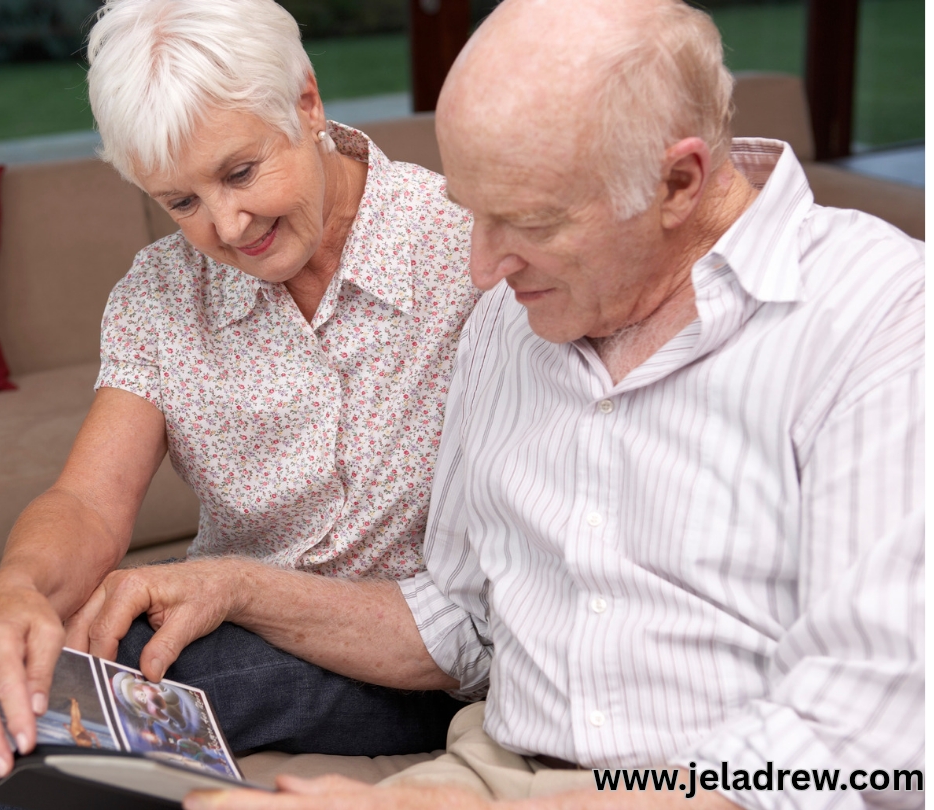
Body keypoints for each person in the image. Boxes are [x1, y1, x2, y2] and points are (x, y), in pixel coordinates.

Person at [66, 0, 919, 808]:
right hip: (492, 766)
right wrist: (233, 586)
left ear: (678, 183)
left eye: (526, 221)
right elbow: (461, 620)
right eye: (474, 214)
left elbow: (855, 750)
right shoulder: (513, 320)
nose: (479, 270)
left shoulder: (881, 320)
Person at [0, 0, 478, 806]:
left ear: (306, 101)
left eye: (240, 172)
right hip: (225, 621)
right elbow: (90, 504)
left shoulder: (466, 248)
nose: (229, 226)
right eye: (181, 202)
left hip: (390, 655)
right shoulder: (160, 294)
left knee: (39, 713)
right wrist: (18, 591)